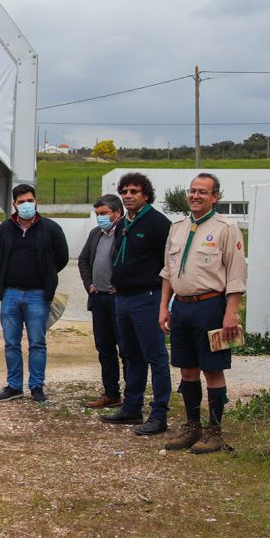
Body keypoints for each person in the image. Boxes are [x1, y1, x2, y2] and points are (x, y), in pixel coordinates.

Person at [158, 173, 246, 453]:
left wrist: (231, 313)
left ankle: (215, 431)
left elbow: (235, 275)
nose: (196, 196)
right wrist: (164, 307)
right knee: (187, 369)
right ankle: (192, 427)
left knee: (213, 368)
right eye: (193, 191)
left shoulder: (226, 228)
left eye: (203, 192)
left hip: (211, 306)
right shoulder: (177, 227)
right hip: (182, 307)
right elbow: (168, 272)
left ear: (215, 197)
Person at [102, 172, 173, 435]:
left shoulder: (157, 223)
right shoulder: (123, 224)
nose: (128, 196)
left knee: (155, 356)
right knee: (130, 355)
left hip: (148, 297)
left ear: (145, 194)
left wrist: (166, 302)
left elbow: (168, 264)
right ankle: (132, 406)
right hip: (123, 298)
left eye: (134, 191)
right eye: (124, 191)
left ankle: (159, 413)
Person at [0, 184, 69, 403]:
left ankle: (37, 386)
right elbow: (1, 255)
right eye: (21, 202)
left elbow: (61, 258)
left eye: (30, 200)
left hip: (38, 295)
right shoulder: (5, 228)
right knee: (11, 343)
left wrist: (47, 275)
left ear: (36, 201)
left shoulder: (50, 228)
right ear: (14, 205)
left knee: (37, 342)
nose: (26, 205)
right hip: (11, 294)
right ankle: (14, 386)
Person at [78, 195, 124, 409]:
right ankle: (111, 393)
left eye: (104, 213)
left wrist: (122, 285)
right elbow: (83, 260)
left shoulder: (125, 233)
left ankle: (133, 396)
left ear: (117, 213)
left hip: (119, 300)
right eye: (98, 214)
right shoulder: (96, 234)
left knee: (126, 349)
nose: (101, 218)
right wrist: (90, 285)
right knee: (105, 348)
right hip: (99, 299)